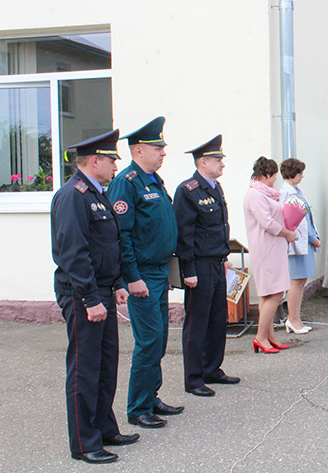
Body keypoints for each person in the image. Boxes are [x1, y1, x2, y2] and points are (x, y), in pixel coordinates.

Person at [51, 130, 139, 464]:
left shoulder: (97, 193)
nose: (116, 165)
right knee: (85, 369)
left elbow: (106, 244)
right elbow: (73, 253)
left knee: (105, 364)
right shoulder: (73, 195)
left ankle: (104, 428)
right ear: (94, 161)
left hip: (101, 289)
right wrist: (90, 298)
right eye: (111, 160)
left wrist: (117, 283)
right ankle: (84, 442)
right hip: (82, 293)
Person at [107, 116, 183, 429]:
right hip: (142, 275)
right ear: (138, 151)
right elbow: (121, 235)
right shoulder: (126, 183)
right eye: (157, 148)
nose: (163, 153)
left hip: (159, 272)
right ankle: (138, 408)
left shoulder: (154, 181)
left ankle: (151, 397)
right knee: (149, 340)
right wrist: (132, 277)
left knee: (159, 339)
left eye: (162, 148)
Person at [174, 135, 240, 398]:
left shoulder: (215, 188)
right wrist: (188, 270)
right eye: (217, 159)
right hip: (199, 266)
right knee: (198, 322)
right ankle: (193, 377)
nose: (222, 164)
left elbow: (218, 227)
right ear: (203, 162)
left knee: (217, 319)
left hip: (216, 262)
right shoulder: (188, 191)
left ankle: (212, 368)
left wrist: (224, 257)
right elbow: (185, 235)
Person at [243, 157, 296, 354]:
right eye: (274, 176)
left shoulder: (265, 193)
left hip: (273, 247)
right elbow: (267, 222)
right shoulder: (255, 195)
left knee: (269, 293)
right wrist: (287, 233)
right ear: (266, 175)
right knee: (275, 293)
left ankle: (269, 335)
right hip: (266, 248)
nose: (275, 180)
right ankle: (260, 337)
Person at [279, 158, 321, 334]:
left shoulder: (294, 191)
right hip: (298, 243)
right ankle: (293, 319)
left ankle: (296, 318)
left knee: (300, 281)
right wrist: (313, 238)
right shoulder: (287, 193)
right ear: (293, 173)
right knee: (296, 282)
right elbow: (299, 221)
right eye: (300, 173)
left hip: (302, 241)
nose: (302, 176)